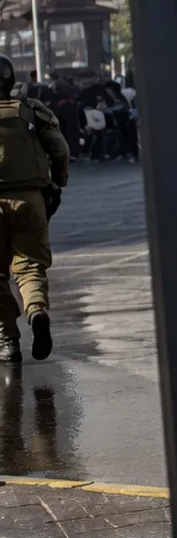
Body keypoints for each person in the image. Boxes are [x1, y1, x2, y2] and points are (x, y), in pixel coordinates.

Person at [0, 55, 70, 365]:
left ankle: (8, 341)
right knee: (29, 267)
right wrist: (58, 182)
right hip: (30, 199)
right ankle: (36, 310)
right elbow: (59, 148)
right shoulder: (33, 110)